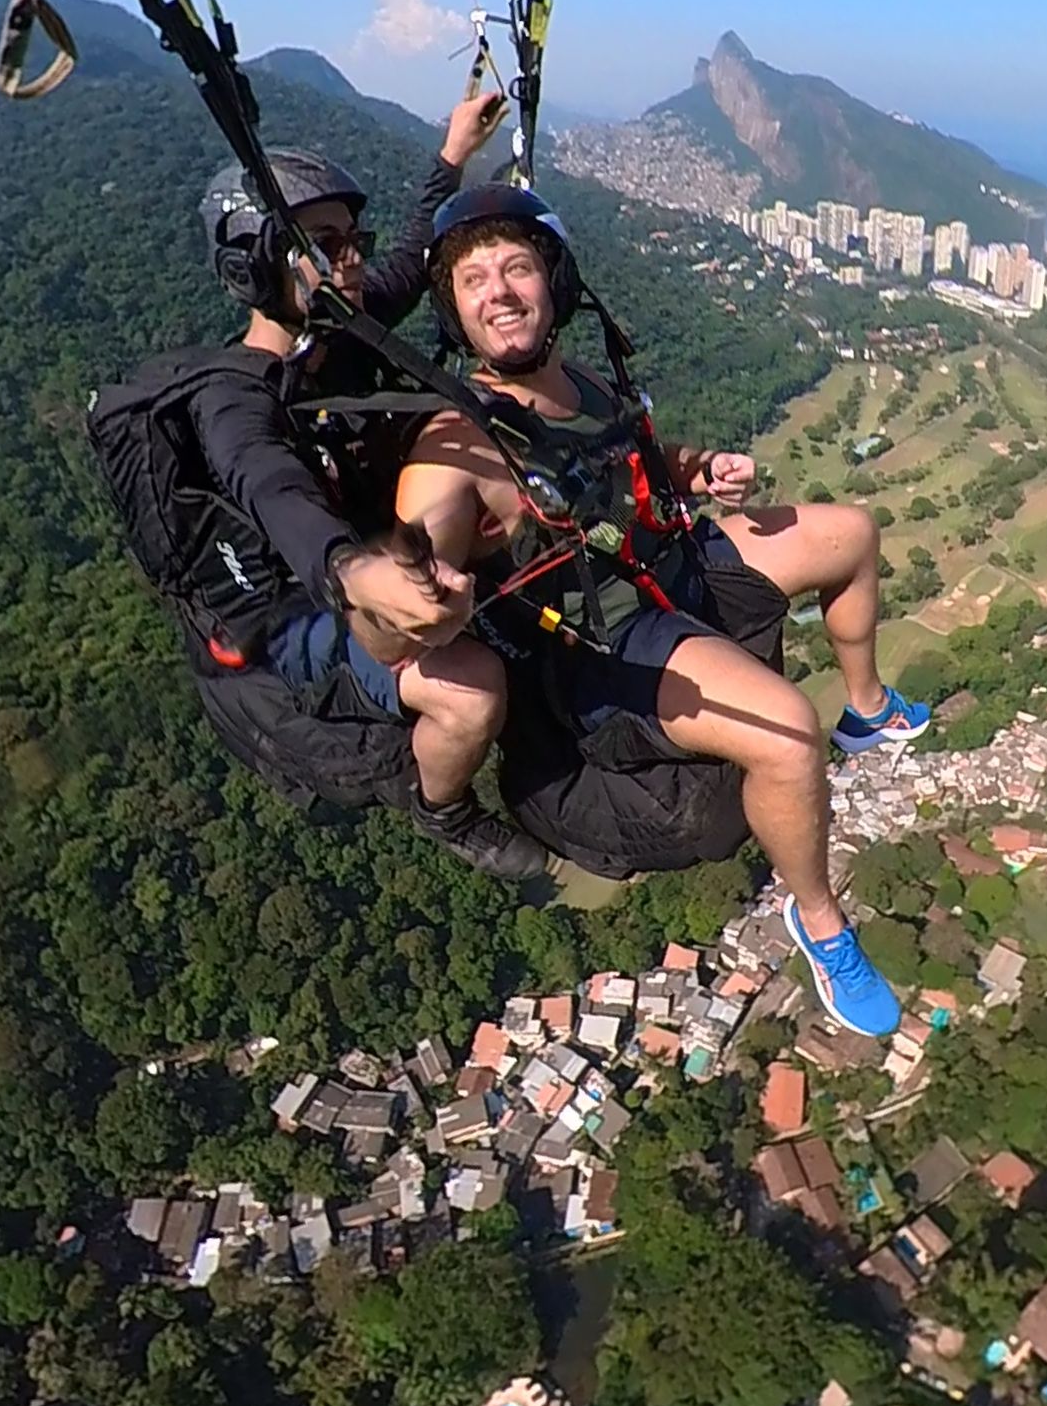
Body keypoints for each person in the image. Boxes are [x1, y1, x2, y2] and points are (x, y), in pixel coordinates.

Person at [390, 184, 931, 1035]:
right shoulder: (456, 445)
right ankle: (820, 922)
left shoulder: (587, 384)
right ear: (455, 313)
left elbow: (631, 460)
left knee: (850, 535)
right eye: (473, 279)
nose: (498, 290)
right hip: (605, 644)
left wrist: (697, 466)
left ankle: (868, 710)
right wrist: (411, 596)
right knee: (789, 732)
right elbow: (410, 558)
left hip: (669, 560)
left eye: (517, 267)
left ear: (553, 283)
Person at [176, 92, 541, 880]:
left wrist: (451, 155)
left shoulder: (336, 329)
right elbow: (271, 486)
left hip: (363, 557)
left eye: (353, 241)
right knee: (473, 691)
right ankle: (444, 806)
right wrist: (349, 569)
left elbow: (411, 261)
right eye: (328, 243)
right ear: (258, 261)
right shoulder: (233, 397)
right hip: (291, 613)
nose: (352, 260)